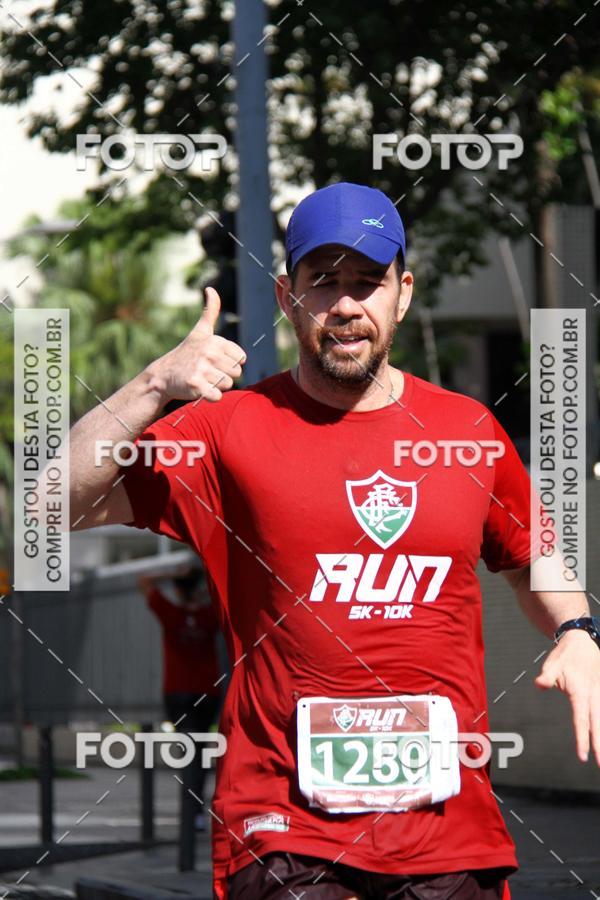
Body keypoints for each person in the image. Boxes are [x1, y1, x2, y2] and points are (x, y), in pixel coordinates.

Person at [69, 182, 600, 900]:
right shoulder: (229, 429)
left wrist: (575, 628)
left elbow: (531, 553)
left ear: (402, 294)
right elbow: (49, 507)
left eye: (366, 282)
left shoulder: (468, 431)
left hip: (449, 835)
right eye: (324, 283)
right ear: (289, 297)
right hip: (285, 828)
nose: (346, 304)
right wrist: (154, 384)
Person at [138, 565, 221, 830]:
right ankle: (195, 811)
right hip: (208, 691)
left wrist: (172, 574)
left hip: (178, 692)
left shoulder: (170, 613)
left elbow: (144, 580)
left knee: (188, 753)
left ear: (176, 590)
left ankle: (191, 810)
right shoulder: (210, 615)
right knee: (200, 751)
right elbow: (221, 592)